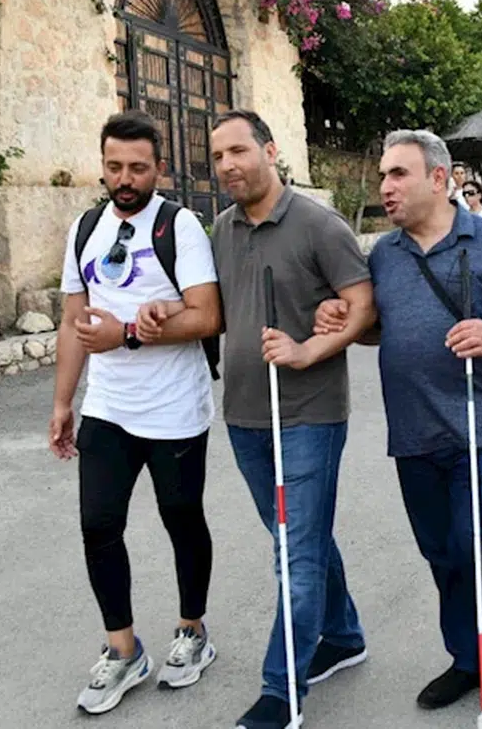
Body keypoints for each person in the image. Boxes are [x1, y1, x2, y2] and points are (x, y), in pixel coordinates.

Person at [313, 128, 482, 715]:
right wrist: (340, 317)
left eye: (399, 174)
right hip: (413, 432)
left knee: (480, 544)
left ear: (438, 179)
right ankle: (468, 658)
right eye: (383, 175)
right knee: (441, 552)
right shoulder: (384, 255)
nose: (385, 187)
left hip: (481, 425)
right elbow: (374, 328)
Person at [190, 109, 375, 729]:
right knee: (299, 539)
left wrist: (308, 349)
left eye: (238, 151)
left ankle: (281, 692)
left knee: (294, 555)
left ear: (270, 152)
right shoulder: (221, 229)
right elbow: (215, 312)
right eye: (218, 156)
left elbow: (362, 307)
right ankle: (343, 636)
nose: (227, 166)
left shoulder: (320, 225)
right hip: (245, 415)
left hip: (307, 415)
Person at [49, 110, 222, 714]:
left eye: (138, 168)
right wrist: (63, 402)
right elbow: (73, 323)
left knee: (182, 518)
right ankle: (123, 649)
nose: (125, 179)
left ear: (159, 169)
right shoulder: (85, 229)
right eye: (115, 166)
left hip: (175, 407)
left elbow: (207, 315)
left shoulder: (180, 227)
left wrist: (127, 333)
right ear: (102, 166)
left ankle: (192, 631)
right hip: (108, 406)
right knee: (98, 526)